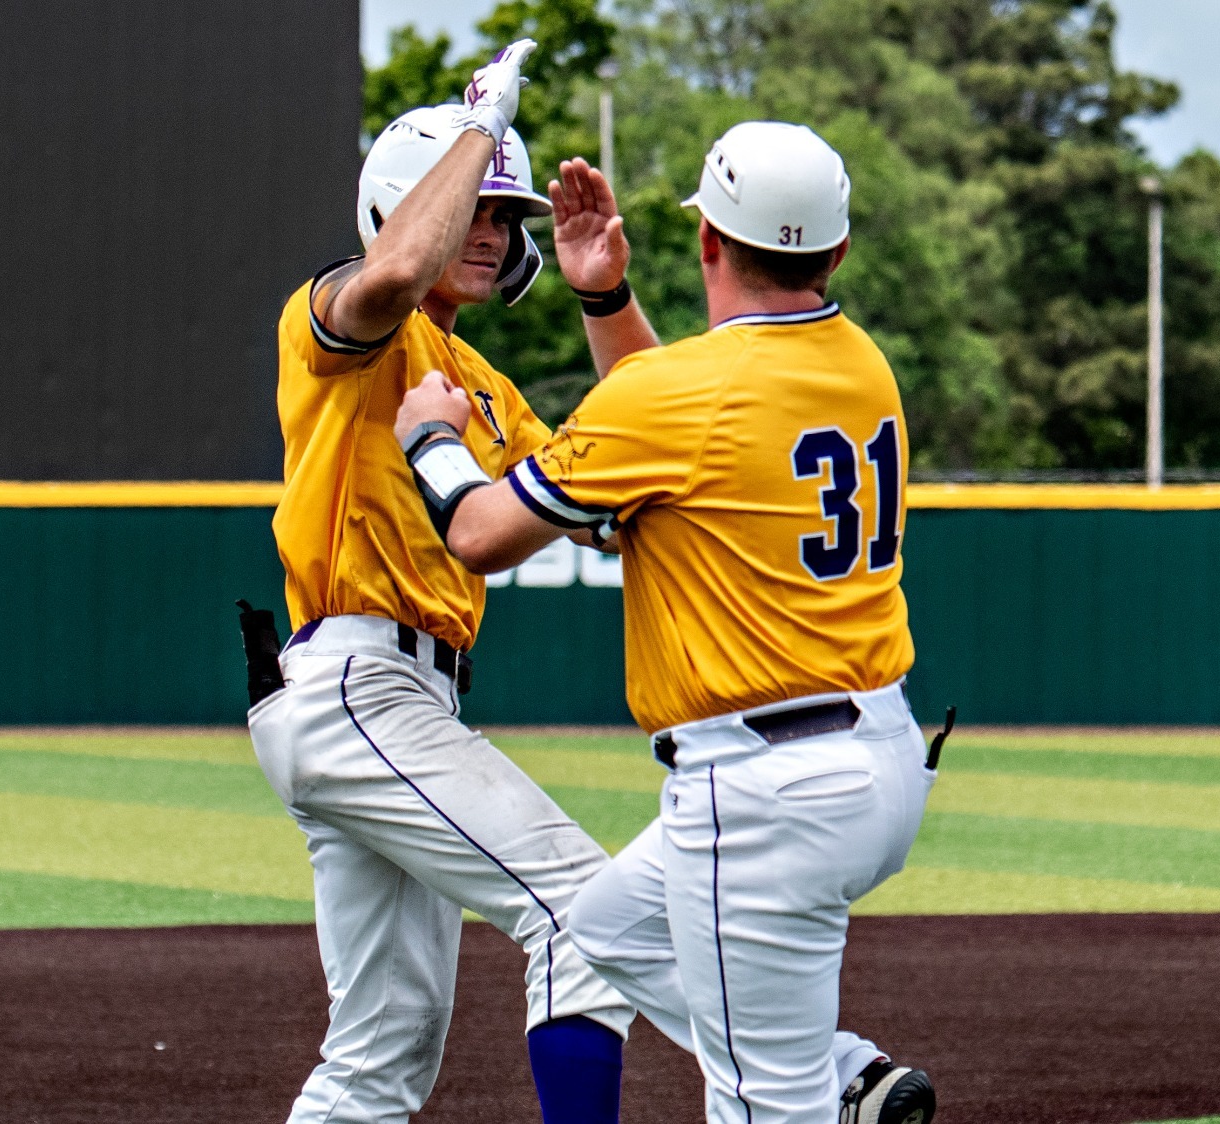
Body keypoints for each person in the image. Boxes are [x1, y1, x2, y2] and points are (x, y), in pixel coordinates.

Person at [391, 122, 939, 1124]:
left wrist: (429, 438)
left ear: (705, 243)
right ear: (837, 250)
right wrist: (602, 297)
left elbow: (475, 533)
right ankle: (845, 1073)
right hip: (881, 755)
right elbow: (670, 424)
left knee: (760, 1107)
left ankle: (821, 1085)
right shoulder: (859, 362)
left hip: (764, 787)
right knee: (606, 925)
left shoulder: (673, 397)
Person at [245, 40, 633, 1124]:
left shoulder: (485, 385)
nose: (490, 227)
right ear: (400, 200)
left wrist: (610, 302)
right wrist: (478, 128)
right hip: (355, 683)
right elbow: (388, 279)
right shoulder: (340, 324)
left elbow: (620, 501)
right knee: (585, 909)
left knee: (377, 1062)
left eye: (505, 215)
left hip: (405, 697)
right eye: (472, 204)